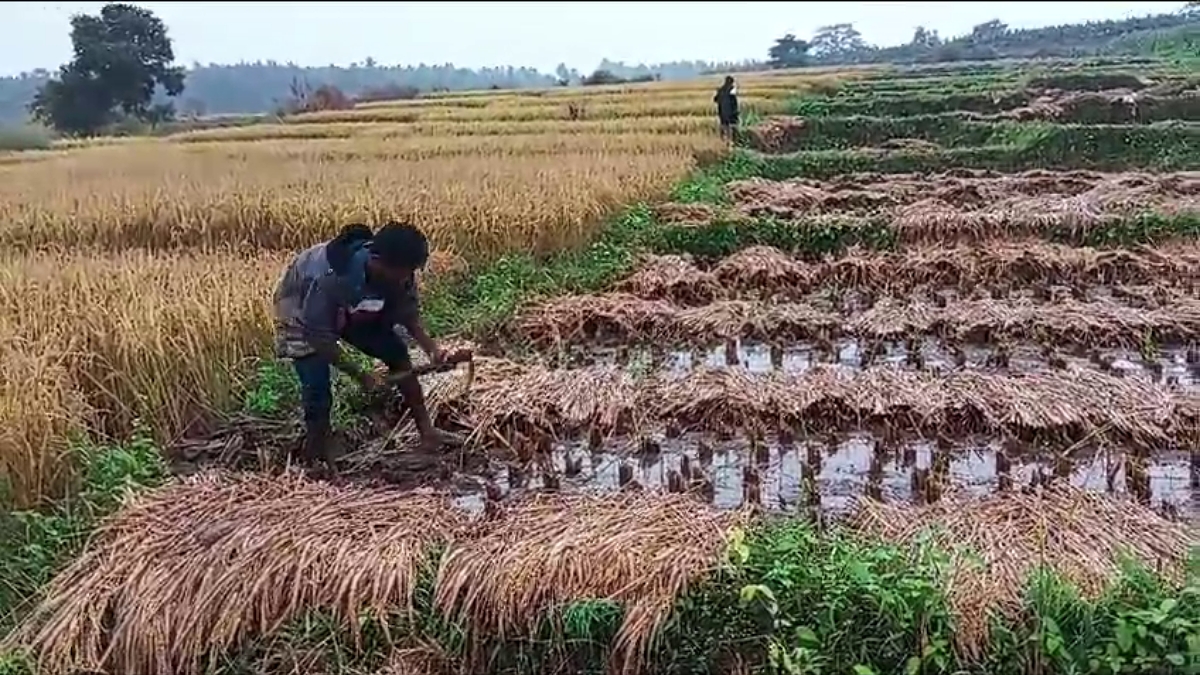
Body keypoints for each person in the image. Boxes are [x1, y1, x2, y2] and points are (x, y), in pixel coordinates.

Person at [273, 221, 463, 469]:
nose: (407, 278)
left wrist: (433, 349)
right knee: (317, 388)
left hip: (353, 306)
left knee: (397, 352)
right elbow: (318, 336)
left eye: (410, 272)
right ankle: (316, 455)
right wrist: (361, 375)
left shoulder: (398, 272)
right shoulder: (330, 276)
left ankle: (428, 433)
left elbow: (408, 313)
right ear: (378, 260)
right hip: (302, 311)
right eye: (403, 272)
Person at [713, 76, 739, 142]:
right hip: (731, 113)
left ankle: (723, 141)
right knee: (732, 128)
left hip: (722, 112)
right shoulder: (732, 90)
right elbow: (734, 102)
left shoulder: (720, 90)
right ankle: (732, 142)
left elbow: (715, 100)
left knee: (723, 127)